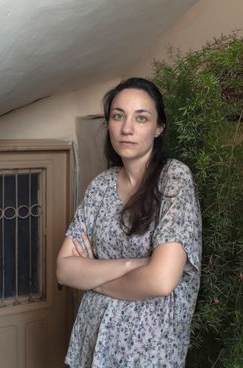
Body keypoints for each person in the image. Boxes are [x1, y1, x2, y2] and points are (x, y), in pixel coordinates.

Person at [56, 77, 202, 367]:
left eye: (141, 118)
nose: (127, 128)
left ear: (159, 127)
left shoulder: (174, 179)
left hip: (148, 353)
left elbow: (161, 281)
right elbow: (65, 270)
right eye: (118, 116)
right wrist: (133, 264)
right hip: (93, 345)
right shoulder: (101, 186)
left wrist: (94, 278)